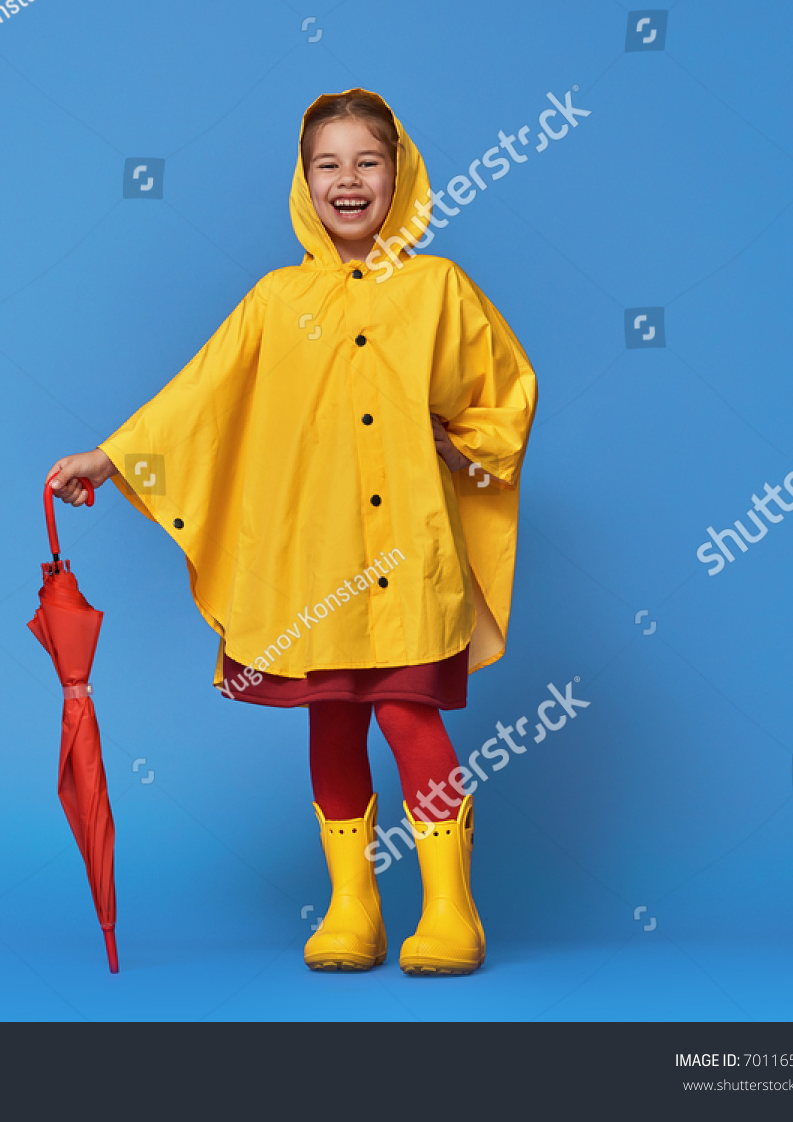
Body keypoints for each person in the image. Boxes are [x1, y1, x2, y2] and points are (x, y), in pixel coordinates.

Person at [48, 89, 536, 975]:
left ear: (401, 172)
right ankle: (354, 905)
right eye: (328, 165)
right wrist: (111, 458)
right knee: (332, 717)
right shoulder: (277, 301)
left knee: (407, 709)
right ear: (303, 180)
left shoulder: (438, 290)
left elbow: (504, 392)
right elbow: (198, 396)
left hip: (410, 557)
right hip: (318, 560)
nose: (348, 181)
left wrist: (461, 443)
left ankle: (450, 908)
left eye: (368, 162)